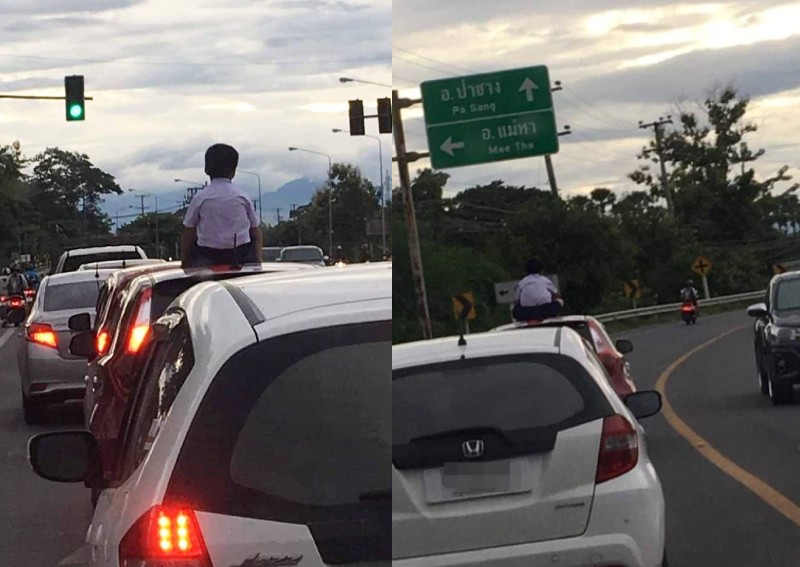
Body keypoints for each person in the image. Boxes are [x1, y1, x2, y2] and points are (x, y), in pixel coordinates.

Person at [180, 143, 263, 268]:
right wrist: (258, 260)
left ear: (206, 169)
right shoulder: (242, 196)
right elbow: (255, 232)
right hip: (241, 257)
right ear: (233, 171)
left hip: (206, 258)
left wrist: (185, 261)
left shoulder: (200, 198)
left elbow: (189, 234)